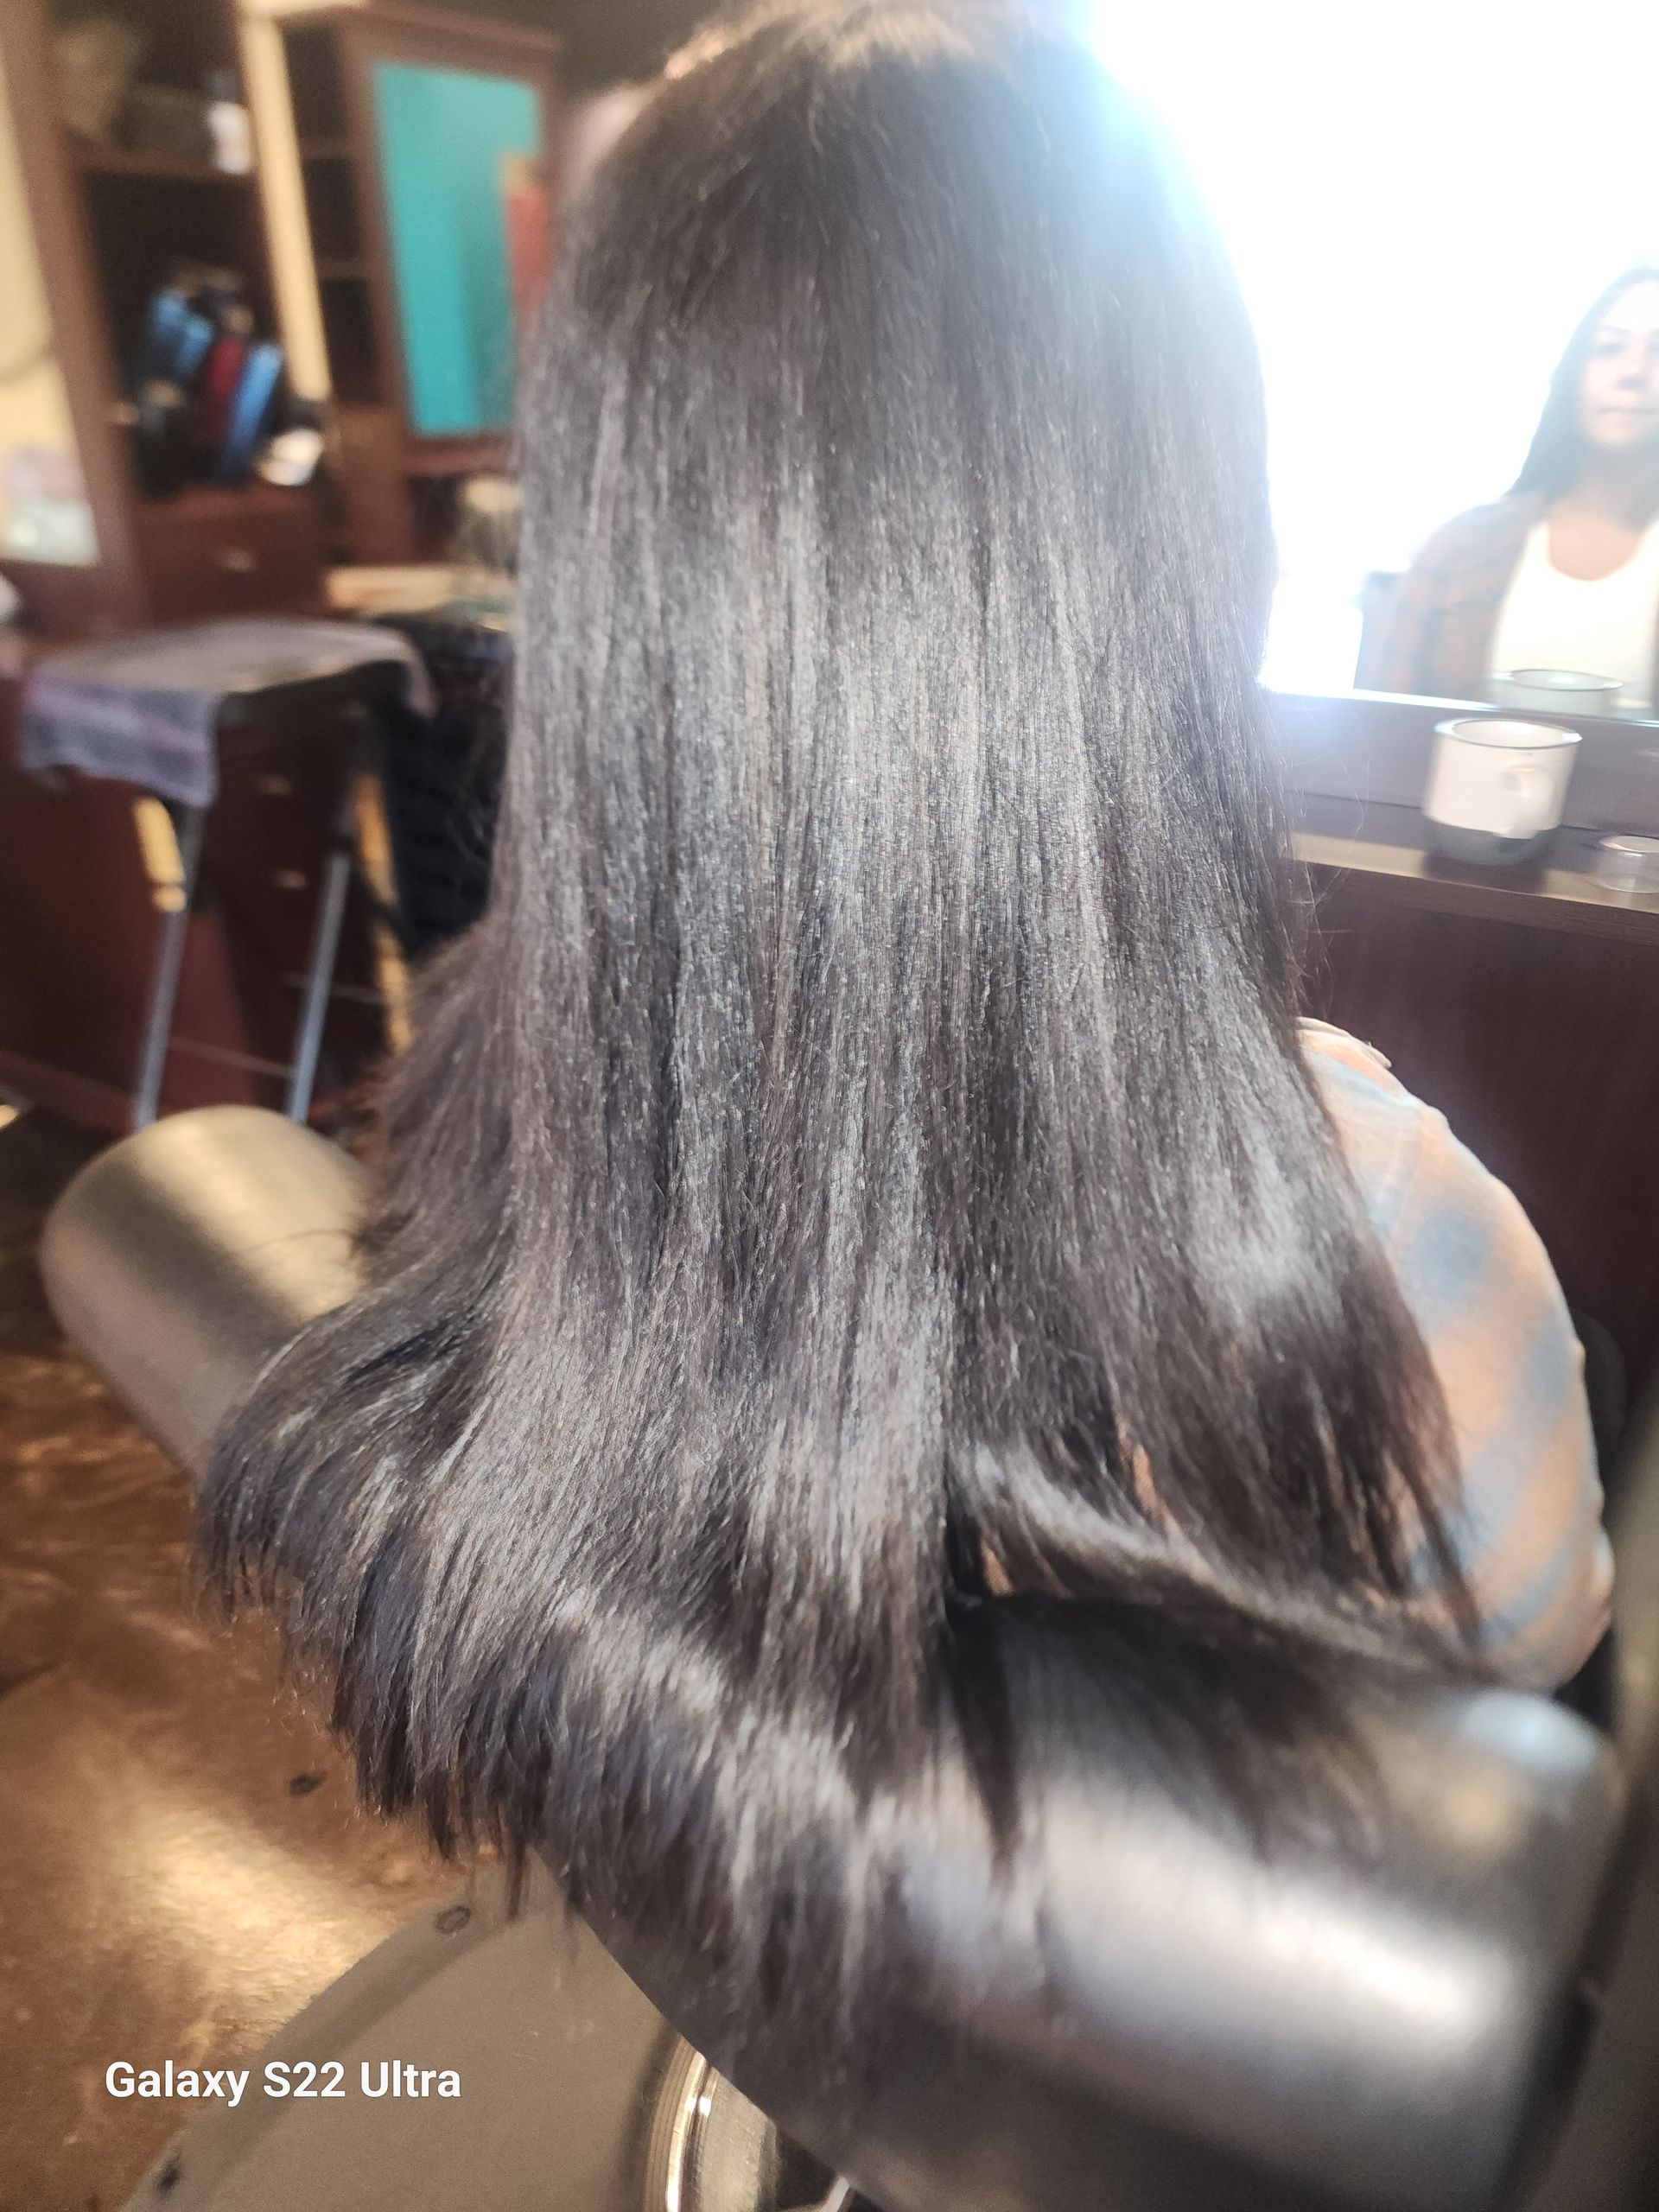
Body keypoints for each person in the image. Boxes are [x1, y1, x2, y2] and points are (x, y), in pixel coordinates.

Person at [201, 0, 1611, 2043]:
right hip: (1169, 2085)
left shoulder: (479, 1105)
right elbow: (1541, 1654)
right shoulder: (1372, 1235)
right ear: (1188, 562)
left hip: (749, 2015)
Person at [1363, 267, 1659, 704]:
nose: (1633, 372)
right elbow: (1381, 723)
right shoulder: (1462, 546)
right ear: (1572, 374)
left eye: (1657, 349)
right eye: (1609, 348)